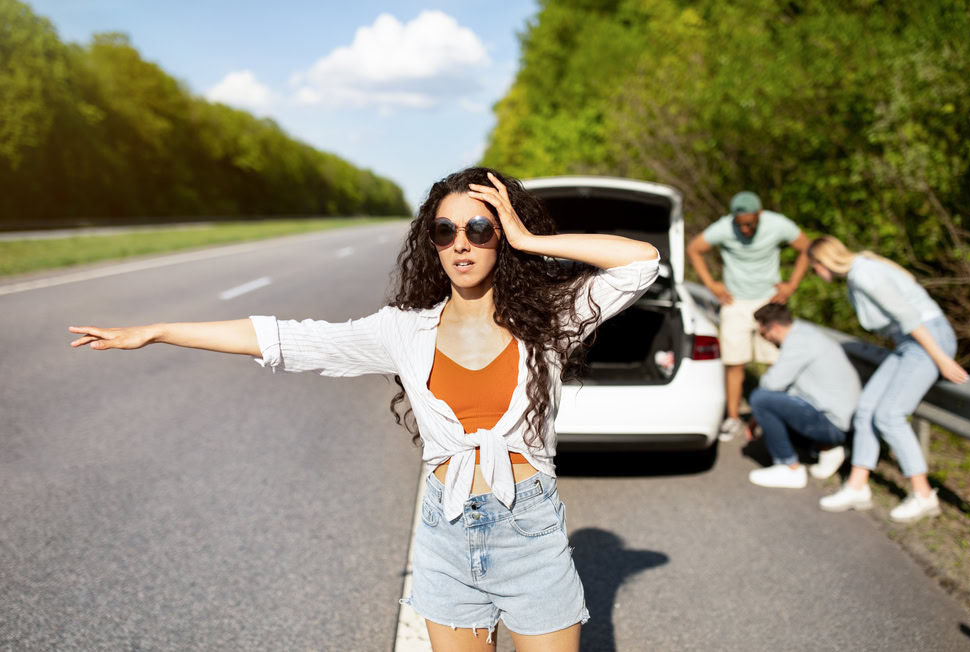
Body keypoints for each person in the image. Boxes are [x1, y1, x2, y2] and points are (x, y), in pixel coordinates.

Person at [68, 167, 660, 651]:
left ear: (501, 233)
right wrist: (159, 330)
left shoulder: (550, 320)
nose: (461, 243)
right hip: (445, 532)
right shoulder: (402, 331)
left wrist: (529, 238)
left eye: (479, 228)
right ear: (430, 241)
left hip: (530, 530)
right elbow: (285, 340)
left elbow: (639, 262)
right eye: (445, 230)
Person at [807, 235, 968, 523]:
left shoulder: (863, 273)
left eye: (813, 268)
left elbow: (908, 315)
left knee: (890, 415)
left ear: (822, 261)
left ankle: (923, 495)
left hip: (927, 339)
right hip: (910, 343)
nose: (815, 274)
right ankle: (857, 486)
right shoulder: (859, 271)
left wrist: (941, 358)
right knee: (867, 407)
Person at [687, 191, 811, 442]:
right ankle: (733, 417)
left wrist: (792, 285)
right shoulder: (723, 228)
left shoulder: (778, 225)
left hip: (769, 301)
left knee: (775, 362)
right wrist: (712, 285)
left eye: (750, 223)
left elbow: (807, 248)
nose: (745, 228)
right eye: (740, 223)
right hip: (735, 302)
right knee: (734, 362)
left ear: (759, 215)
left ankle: (775, 416)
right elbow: (694, 248)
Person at [746, 303, 861, 488]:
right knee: (770, 405)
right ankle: (828, 449)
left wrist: (755, 414)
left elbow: (771, 384)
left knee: (761, 399)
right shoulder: (806, 334)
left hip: (834, 423)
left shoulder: (798, 342)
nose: (765, 339)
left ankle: (788, 467)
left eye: (763, 333)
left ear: (774, 328)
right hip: (840, 420)